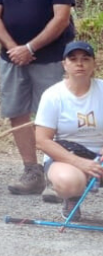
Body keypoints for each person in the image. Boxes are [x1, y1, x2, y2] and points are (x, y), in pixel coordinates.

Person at [0, 0, 75, 196]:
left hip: (48, 58)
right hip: (12, 59)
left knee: (54, 116)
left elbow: (61, 19)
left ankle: (56, 174)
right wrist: (15, 48)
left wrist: (30, 47)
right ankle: (31, 172)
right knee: (17, 114)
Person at [34, 41, 103, 221]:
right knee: (69, 182)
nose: (79, 64)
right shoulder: (53, 95)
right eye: (73, 59)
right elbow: (42, 140)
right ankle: (72, 198)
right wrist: (80, 163)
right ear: (65, 64)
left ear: (93, 63)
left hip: (100, 153)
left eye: (85, 59)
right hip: (66, 154)